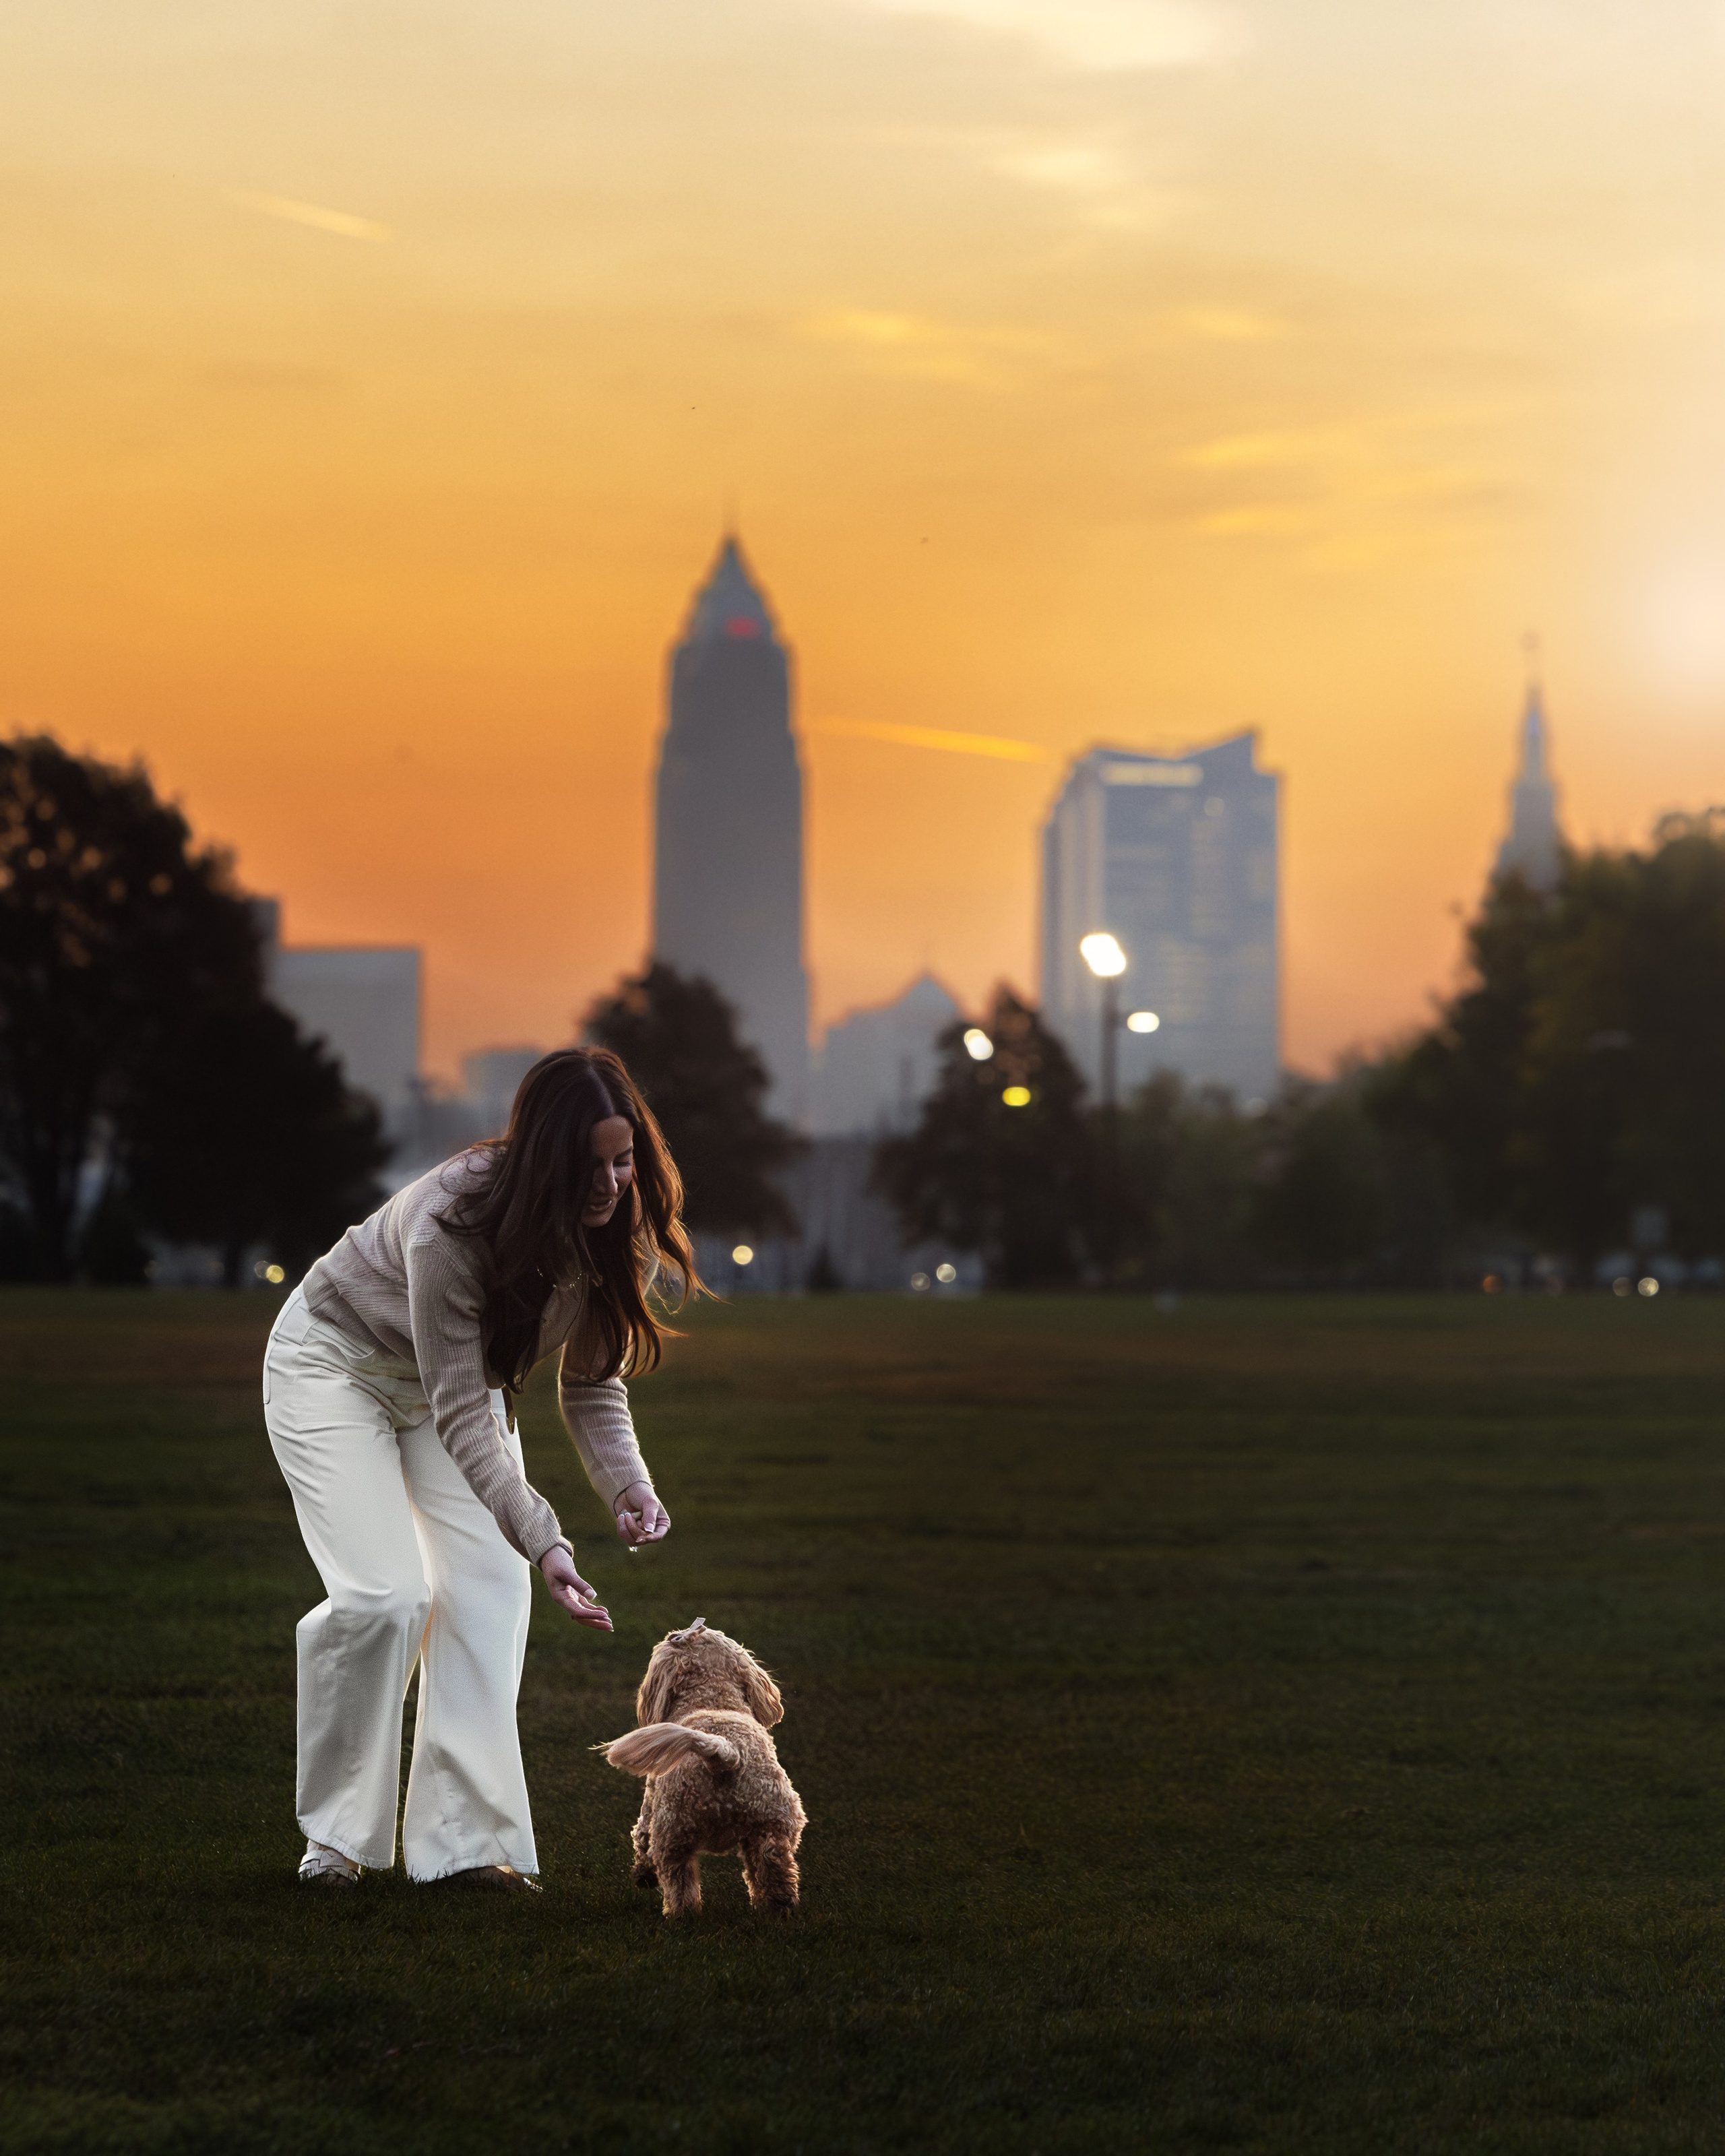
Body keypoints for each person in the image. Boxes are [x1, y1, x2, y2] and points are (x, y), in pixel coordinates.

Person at [261, 1046, 701, 1892]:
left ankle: (463, 1847)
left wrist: (628, 1484)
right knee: (387, 1595)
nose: (611, 1182)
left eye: (624, 1158)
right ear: (544, 1162)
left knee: (489, 1588)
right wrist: (548, 1539)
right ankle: (336, 1842)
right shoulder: (449, 1224)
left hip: (446, 1390)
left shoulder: (622, 1226)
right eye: (590, 1165)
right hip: (335, 1361)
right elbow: (467, 1412)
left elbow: (591, 1382)